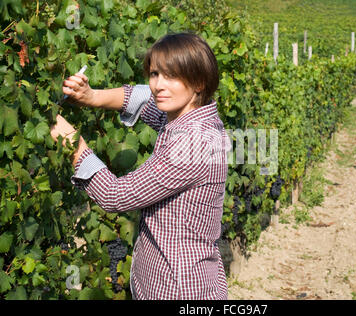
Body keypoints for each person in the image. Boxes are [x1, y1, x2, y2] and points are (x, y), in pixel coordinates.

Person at [50, 33, 230, 300]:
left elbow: (115, 195)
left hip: (178, 290)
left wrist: (72, 143)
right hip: (172, 280)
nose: (159, 85)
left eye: (172, 76)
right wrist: (92, 96)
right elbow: (144, 97)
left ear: (199, 82)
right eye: (155, 73)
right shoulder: (193, 117)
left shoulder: (193, 144)